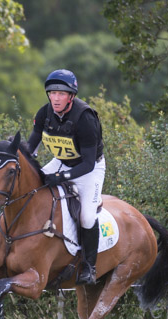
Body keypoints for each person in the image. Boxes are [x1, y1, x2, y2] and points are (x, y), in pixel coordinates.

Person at [27, 69, 105, 285]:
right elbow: (30, 148)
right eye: (52, 93)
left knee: (87, 217)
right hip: (61, 161)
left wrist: (61, 177)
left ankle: (90, 267)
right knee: (32, 188)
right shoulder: (44, 113)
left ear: (71, 96)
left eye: (61, 94)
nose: (56, 98)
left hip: (89, 169)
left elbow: (88, 164)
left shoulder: (85, 118)